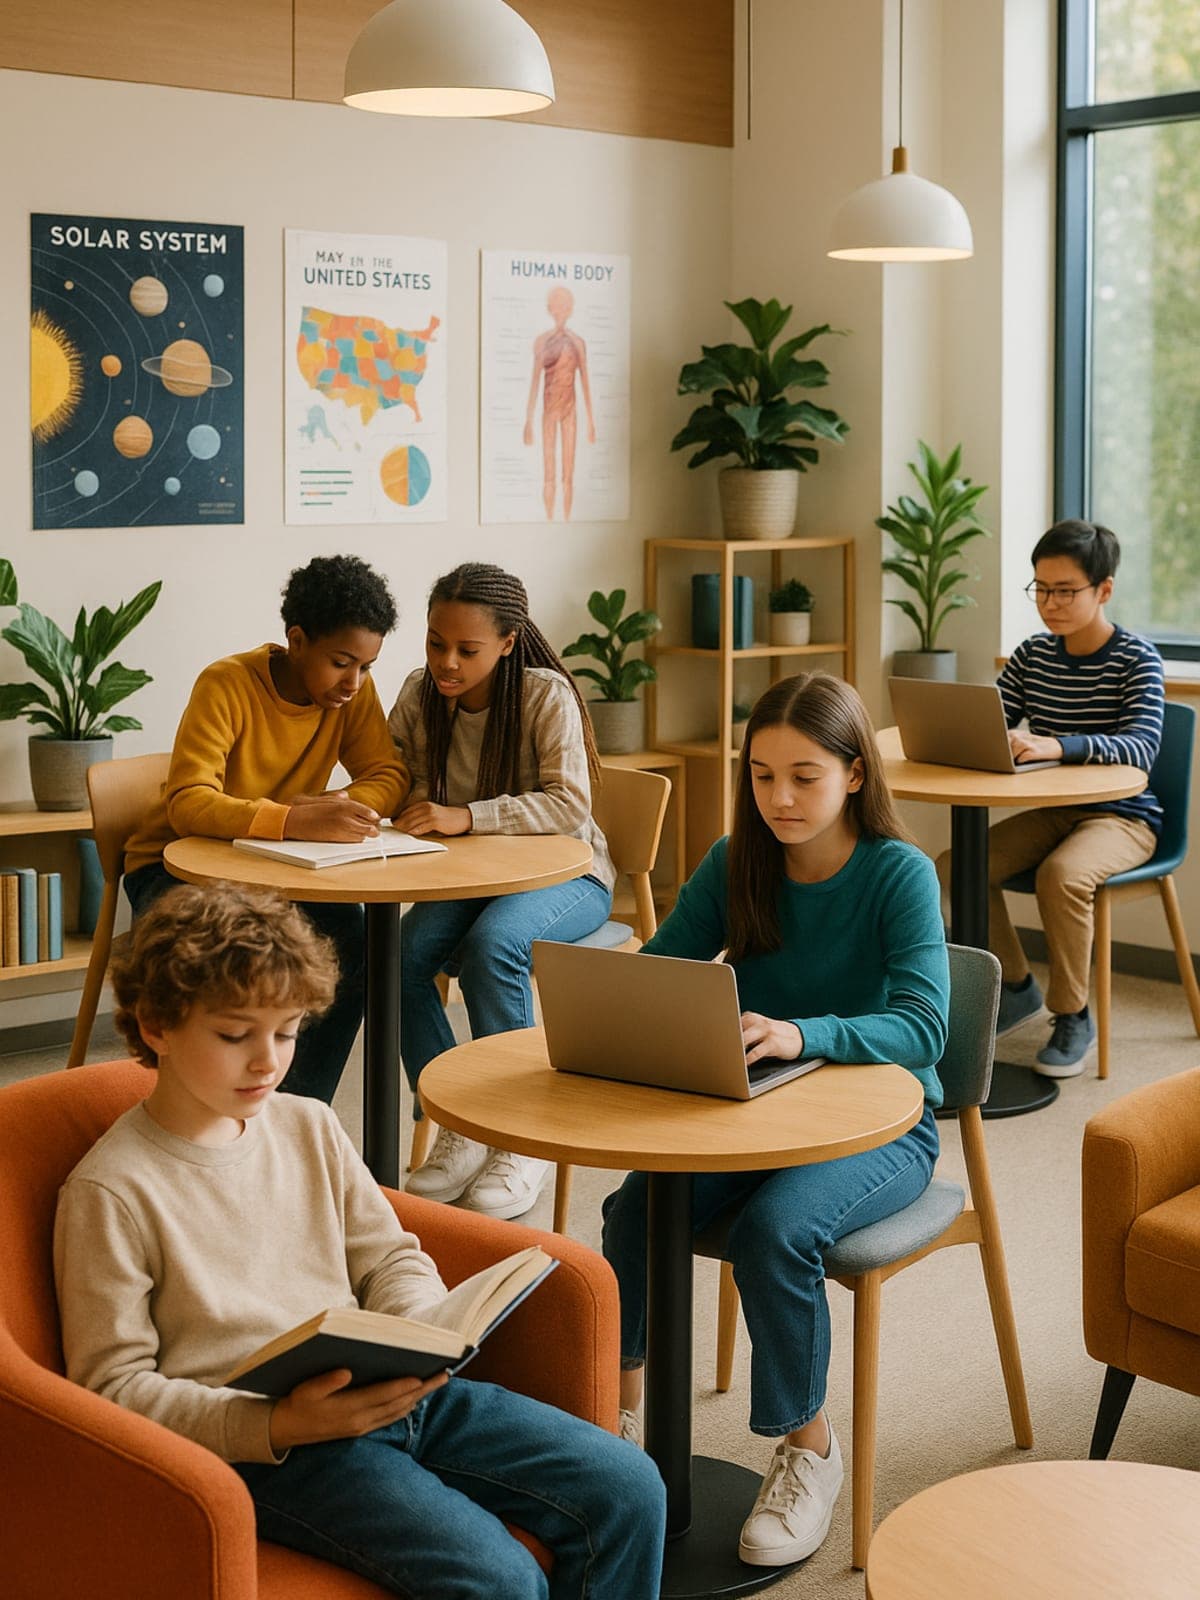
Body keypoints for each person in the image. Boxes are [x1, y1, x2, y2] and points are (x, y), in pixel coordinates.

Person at [53, 883, 665, 1600]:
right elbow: (111, 1392)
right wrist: (275, 1422)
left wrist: (419, 1324)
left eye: (286, 1032)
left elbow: (390, 1257)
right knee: (498, 1580)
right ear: (155, 1025)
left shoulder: (307, 1124)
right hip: (279, 1447)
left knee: (630, 1487)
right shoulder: (110, 1193)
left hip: (402, 1391)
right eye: (234, 1035)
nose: (267, 1062)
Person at [601, 672, 949, 1569]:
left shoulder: (897, 873)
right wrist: (614, 992)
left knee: (776, 1232)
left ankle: (809, 1454)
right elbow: (666, 965)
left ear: (855, 774)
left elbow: (923, 1026)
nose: (780, 798)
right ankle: (619, 1420)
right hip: (752, 1112)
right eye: (762, 775)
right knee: (631, 1209)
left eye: (804, 775)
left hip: (882, 1130)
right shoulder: (738, 858)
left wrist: (804, 1033)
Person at [123, 554, 410, 1103]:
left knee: (360, 944)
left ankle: (295, 1110)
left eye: (367, 667)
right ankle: (210, 1109)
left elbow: (389, 773)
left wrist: (340, 805)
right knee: (232, 961)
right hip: (177, 864)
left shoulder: (349, 695)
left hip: (278, 867)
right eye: (341, 662)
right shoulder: (227, 684)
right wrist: (294, 819)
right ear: (297, 640)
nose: (353, 682)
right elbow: (188, 802)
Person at [389, 561, 615, 1219]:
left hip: (569, 876)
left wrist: (466, 816)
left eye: (467, 649)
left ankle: (525, 1138)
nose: (446, 662)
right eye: (436, 643)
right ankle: (460, 1118)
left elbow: (570, 805)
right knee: (397, 964)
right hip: (471, 878)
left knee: (496, 947)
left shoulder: (545, 696)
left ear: (509, 642)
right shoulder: (419, 693)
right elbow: (391, 773)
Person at [935, 520, 1164, 1075]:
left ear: (1103, 589)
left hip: (1126, 819)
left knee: (1060, 876)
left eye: (1065, 590)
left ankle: (1074, 1014)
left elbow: (1142, 747)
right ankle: (1014, 985)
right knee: (958, 864)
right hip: (1057, 813)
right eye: (1040, 588)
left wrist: (1057, 745)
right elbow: (991, 720)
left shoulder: (1137, 658)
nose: (1049, 603)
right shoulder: (1033, 655)